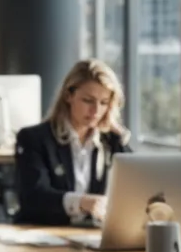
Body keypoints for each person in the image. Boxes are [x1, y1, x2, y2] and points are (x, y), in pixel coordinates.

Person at [14, 59, 132, 225]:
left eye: (104, 103)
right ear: (68, 96)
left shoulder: (110, 141)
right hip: (44, 233)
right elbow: (33, 196)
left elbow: (136, 186)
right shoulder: (34, 138)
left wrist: (121, 139)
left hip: (90, 235)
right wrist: (82, 202)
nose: (96, 110)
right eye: (88, 100)